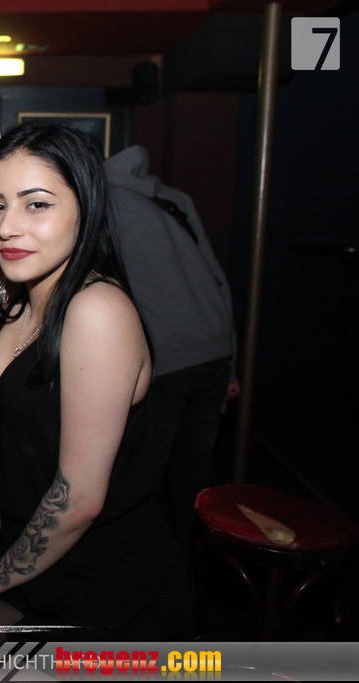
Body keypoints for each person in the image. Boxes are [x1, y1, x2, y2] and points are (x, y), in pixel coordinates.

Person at [0, 122, 191, 639]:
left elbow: (79, 495)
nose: (7, 227)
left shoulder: (97, 311)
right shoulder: (15, 297)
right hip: (29, 553)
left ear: (85, 208)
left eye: (36, 204)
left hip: (99, 580)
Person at [105, 145, 238, 559]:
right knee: (193, 480)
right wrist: (232, 365)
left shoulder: (103, 203)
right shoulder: (174, 198)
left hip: (164, 362)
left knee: (141, 480)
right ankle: (191, 569)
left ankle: (151, 574)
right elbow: (218, 279)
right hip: (214, 351)